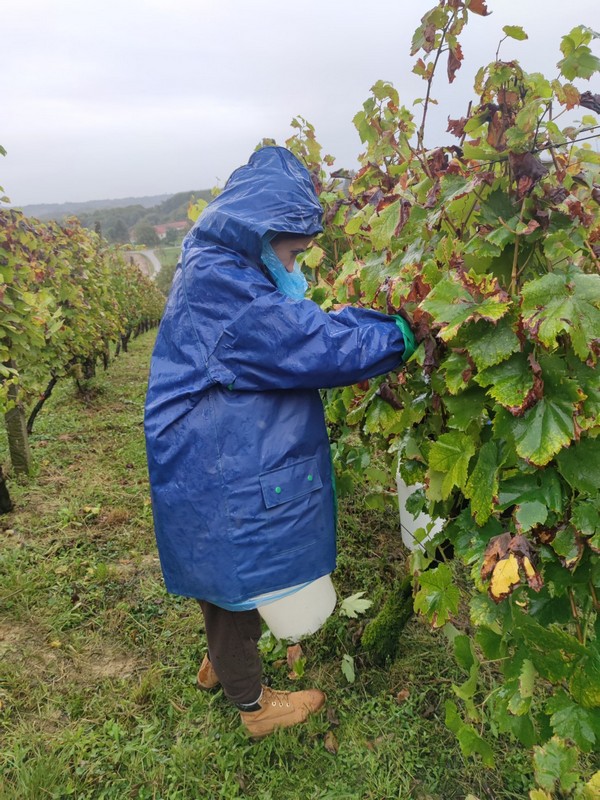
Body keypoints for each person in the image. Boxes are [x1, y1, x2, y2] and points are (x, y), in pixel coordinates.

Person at [144, 146, 415, 738]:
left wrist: (363, 320)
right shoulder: (225, 283)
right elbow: (311, 346)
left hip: (207, 445)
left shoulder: (223, 267)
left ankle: (225, 666)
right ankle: (254, 705)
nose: (296, 264)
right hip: (212, 457)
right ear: (263, 232)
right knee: (239, 571)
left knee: (232, 567)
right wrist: (396, 336)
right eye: (293, 252)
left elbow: (305, 327)